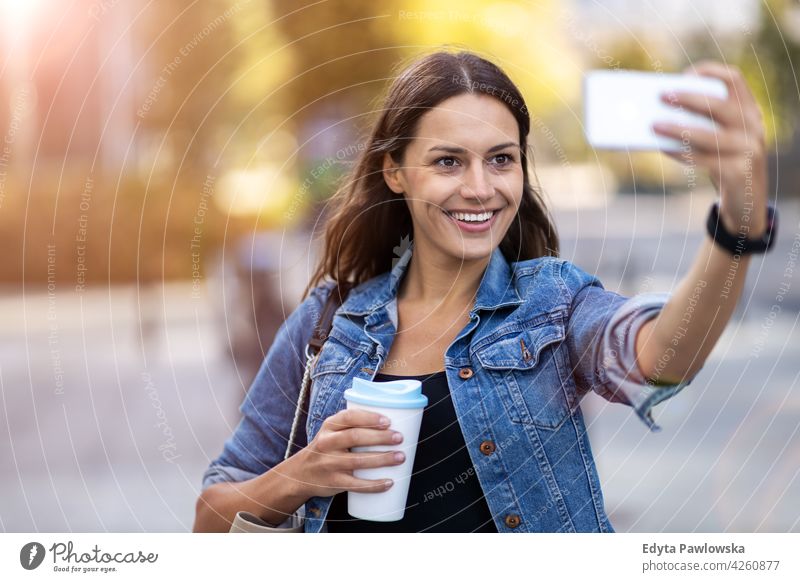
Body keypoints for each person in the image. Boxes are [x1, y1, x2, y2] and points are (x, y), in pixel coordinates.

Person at [194, 49, 775, 533]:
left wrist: (737, 223)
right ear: (395, 171)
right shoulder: (328, 325)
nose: (479, 188)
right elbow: (209, 520)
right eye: (448, 161)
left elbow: (663, 358)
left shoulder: (552, 305)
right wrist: (303, 473)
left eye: (501, 160)